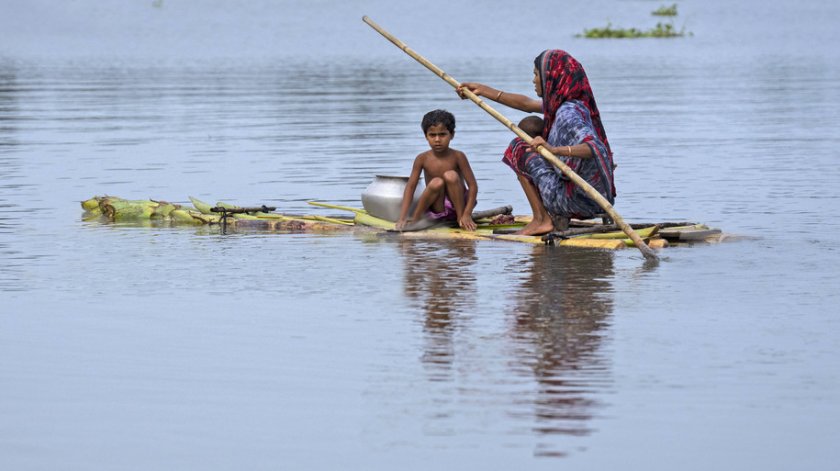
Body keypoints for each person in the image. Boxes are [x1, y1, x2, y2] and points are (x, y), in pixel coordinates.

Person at [458, 50, 615, 235]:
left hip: (578, 201)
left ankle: (541, 219)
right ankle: (545, 217)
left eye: (536, 74)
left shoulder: (567, 113)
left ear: (552, 77)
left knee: (518, 147)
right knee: (529, 126)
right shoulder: (570, 103)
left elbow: (595, 147)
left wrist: (555, 150)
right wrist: (483, 91)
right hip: (596, 200)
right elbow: (526, 104)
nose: (533, 80)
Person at [396, 109, 478, 232]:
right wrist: (402, 218)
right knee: (436, 182)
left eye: (442, 134)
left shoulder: (458, 156)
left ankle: (461, 219)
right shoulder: (422, 158)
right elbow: (410, 187)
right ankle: (416, 220)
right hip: (437, 210)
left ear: (452, 135)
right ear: (426, 136)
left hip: (458, 205)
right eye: (432, 135)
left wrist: (467, 213)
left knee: (450, 175)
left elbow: (472, 186)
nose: (437, 140)